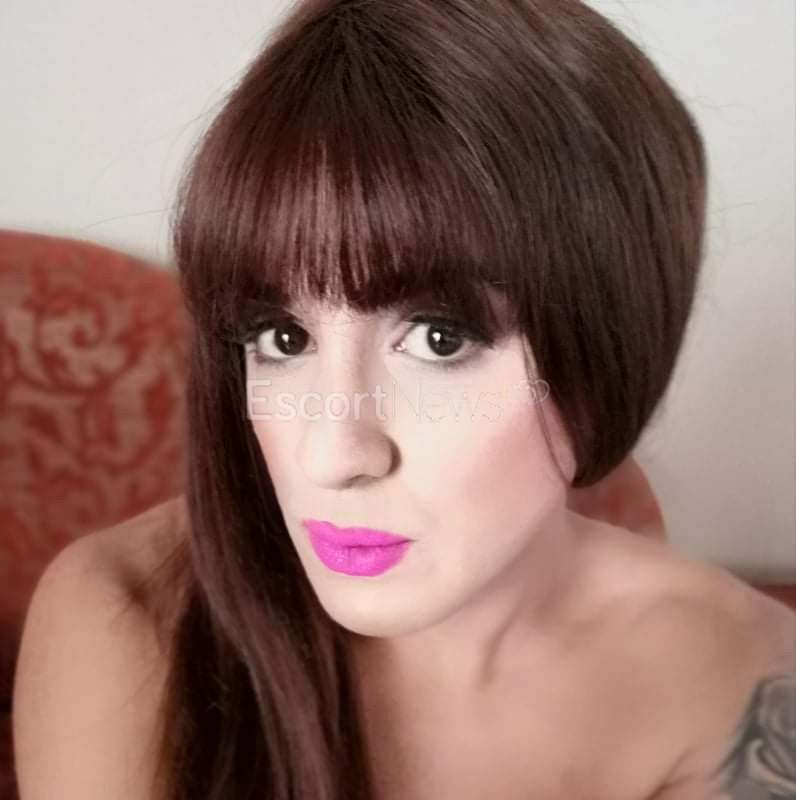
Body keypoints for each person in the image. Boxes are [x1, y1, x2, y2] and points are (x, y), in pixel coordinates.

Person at [12, 1, 795, 798]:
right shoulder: (130, 614)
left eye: (440, 340)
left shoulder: (748, 687)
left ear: (610, 346)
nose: (332, 454)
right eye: (283, 336)